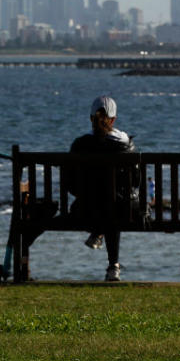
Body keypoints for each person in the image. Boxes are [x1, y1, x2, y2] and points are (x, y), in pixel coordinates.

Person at [66, 95, 137, 282]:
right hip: (122, 210)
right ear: (113, 120)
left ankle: (98, 231)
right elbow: (135, 182)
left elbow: (70, 183)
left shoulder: (79, 145)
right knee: (113, 209)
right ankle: (113, 265)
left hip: (87, 209)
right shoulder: (125, 144)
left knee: (102, 209)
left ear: (91, 118)